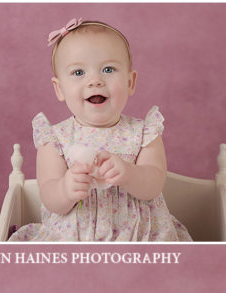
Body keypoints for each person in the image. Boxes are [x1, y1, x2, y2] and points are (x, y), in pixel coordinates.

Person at [10, 19, 191, 241]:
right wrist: (66, 189)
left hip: (140, 238)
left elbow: (153, 184)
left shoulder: (145, 132)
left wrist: (129, 173)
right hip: (75, 239)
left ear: (130, 82)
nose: (95, 81)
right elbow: (49, 196)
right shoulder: (55, 138)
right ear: (59, 89)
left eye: (108, 69)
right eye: (78, 73)